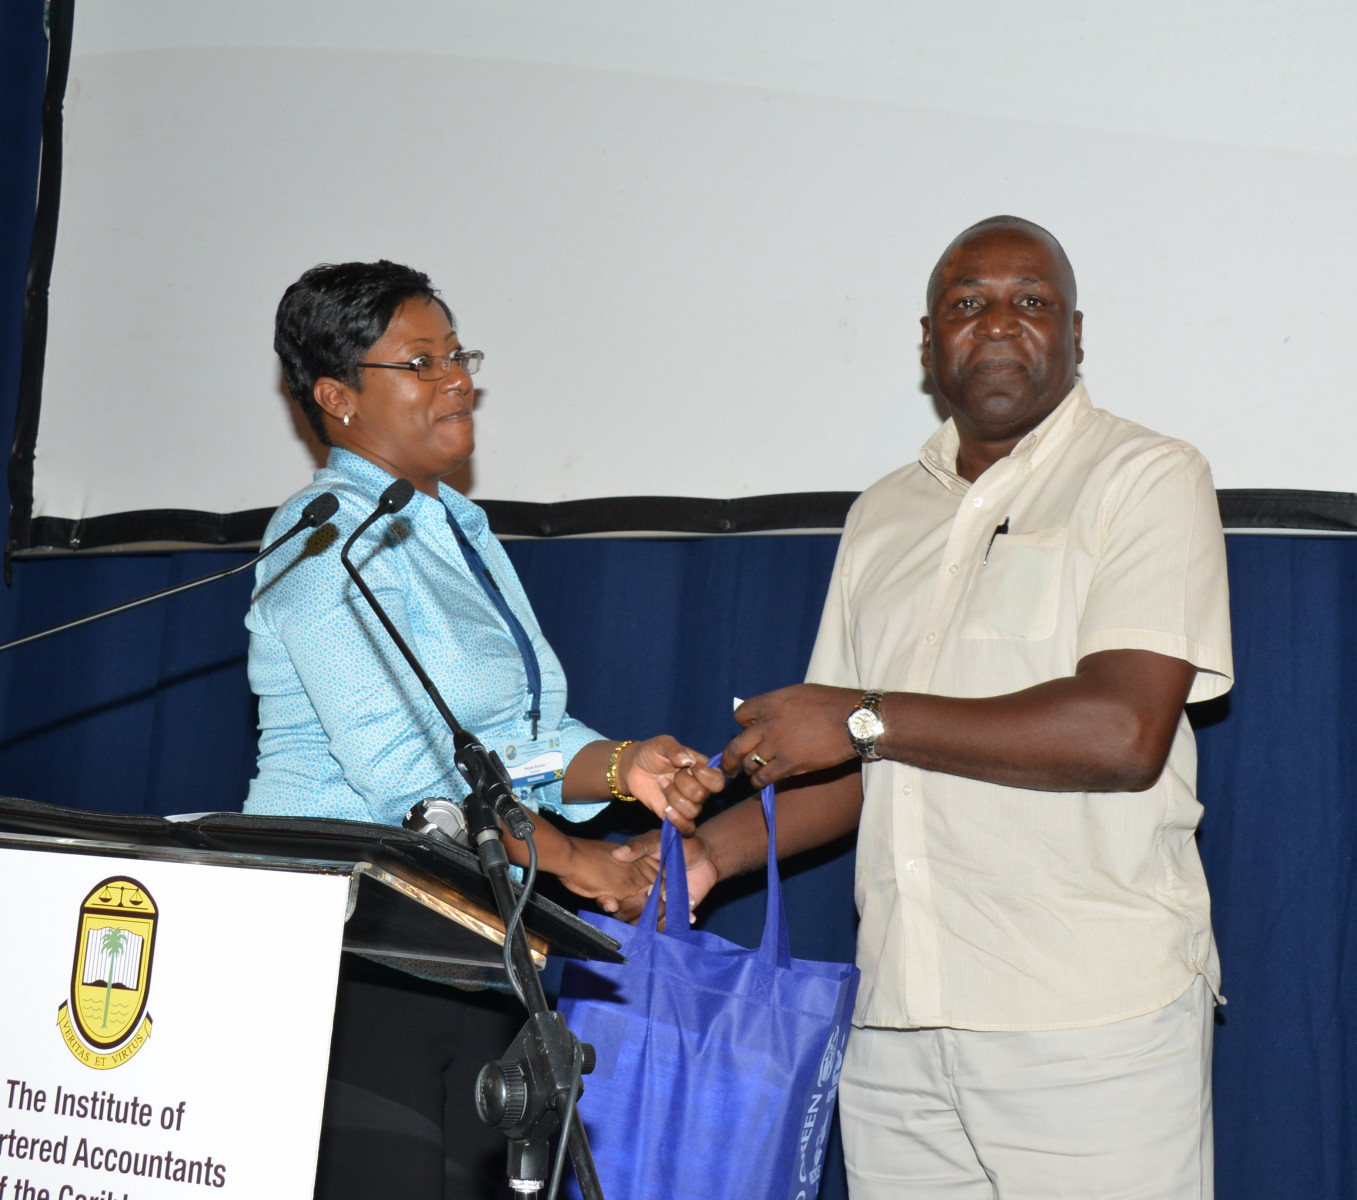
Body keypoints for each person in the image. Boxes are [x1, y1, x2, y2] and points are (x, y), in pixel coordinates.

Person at [619, 216, 1233, 1198]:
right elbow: (850, 766)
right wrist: (706, 856)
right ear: (927, 342)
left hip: (1090, 1020)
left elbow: (1121, 733)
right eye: (967, 303)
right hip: (897, 1027)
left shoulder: (1145, 476)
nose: (998, 322)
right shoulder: (881, 514)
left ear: (1075, 335)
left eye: (1030, 301)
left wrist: (862, 717)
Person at [245, 259, 723, 1200]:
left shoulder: (453, 524)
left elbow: (511, 740)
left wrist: (626, 767)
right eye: (420, 362)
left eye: (458, 355)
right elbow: (406, 775)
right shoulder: (321, 536)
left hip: (475, 944)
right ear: (337, 397)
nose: (456, 380)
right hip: (349, 945)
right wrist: (581, 867)